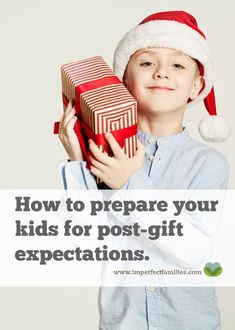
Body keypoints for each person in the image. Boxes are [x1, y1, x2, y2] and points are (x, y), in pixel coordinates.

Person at [58, 10, 230, 330]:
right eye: (147, 62)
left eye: (178, 65)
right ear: (124, 80)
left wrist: (129, 184)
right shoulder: (104, 156)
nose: (162, 73)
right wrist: (78, 162)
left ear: (196, 86)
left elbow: (193, 250)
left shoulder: (209, 165)